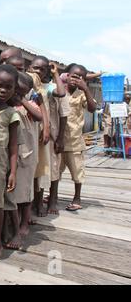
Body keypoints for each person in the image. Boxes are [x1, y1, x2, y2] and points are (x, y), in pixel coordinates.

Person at [4, 72, 42, 250]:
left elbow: (40, 116)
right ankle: (12, 225)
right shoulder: (8, 106)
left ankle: (24, 223)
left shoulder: (31, 103)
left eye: (21, 91)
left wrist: (23, 101)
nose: (16, 94)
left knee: (25, 192)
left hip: (28, 154)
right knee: (12, 192)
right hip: (12, 154)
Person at [0, 64, 20, 260]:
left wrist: (13, 171)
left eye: (9, 87)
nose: (3, 90)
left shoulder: (11, 114)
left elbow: (14, 146)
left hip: (0, 164)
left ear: (15, 89)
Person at [27, 56, 66, 217]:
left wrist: (56, 73)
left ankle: (40, 202)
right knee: (29, 172)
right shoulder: (25, 83)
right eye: (35, 68)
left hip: (43, 136)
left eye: (42, 69)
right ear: (29, 67)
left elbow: (61, 92)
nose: (38, 71)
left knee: (42, 170)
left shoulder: (47, 87)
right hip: (28, 135)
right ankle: (29, 205)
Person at [59, 64, 96, 211]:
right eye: (74, 76)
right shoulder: (59, 91)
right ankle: (53, 195)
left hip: (74, 141)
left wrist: (86, 89)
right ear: (67, 75)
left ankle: (77, 197)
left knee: (77, 171)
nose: (76, 79)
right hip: (58, 140)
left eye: (80, 77)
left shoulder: (81, 94)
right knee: (55, 171)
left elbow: (92, 108)